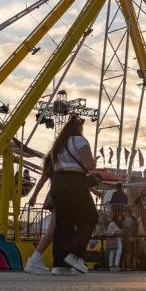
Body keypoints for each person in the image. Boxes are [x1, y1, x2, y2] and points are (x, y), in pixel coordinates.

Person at [47, 116, 98, 275]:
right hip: (75, 181)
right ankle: (75, 254)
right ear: (79, 128)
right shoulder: (79, 141)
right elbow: (89, 165)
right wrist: (93, 162)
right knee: (90, 217)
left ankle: (59, 264)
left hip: (57, 182)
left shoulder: (58, 144)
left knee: (63, 224)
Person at [23, 153, 56, 275]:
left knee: (58, 230)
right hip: (58, 196)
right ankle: (35, 259)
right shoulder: (60, 160)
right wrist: (34, 196)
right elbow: (43, 180)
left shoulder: (54, 160)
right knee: (53, 230)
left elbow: (42, 179)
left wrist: (34, 196)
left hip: (55, 195)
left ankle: (60, 262)